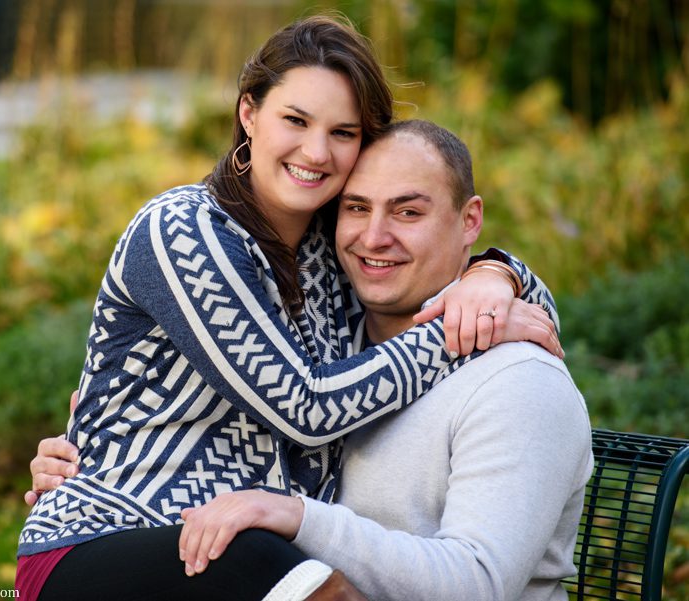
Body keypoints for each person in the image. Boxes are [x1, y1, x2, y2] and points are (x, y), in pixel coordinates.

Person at [17, 15, 562, 601]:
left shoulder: (337, 246)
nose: (316, 151)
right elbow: (305, 407)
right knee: (271, 564)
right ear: (249, 114)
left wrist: (496, 276)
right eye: (295, 121)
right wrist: (461, 332)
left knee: (267, 558)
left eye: (343, 132)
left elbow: (522, 310)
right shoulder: (183, 231)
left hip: (246, 546)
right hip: (112, 535)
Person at [174, 120, 593, 600]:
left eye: (407, 212)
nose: (374, 238)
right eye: (356, 208)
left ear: (470, 221)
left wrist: (298, 518)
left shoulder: (518, 382)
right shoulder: (321, 357)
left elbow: (477, 584)